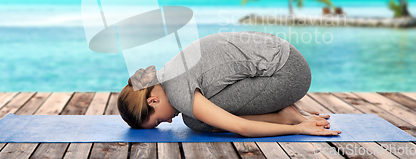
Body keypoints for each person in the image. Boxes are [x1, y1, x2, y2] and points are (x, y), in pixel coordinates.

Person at [117, 31, 341, 137]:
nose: (167, 121)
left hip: (289, 76)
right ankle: (289, 110)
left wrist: (298, 128)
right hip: (288, 60)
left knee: (195, 120)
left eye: (158, 120)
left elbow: (240, 127)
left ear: (153, 99)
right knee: (194, 116)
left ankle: (286, 116)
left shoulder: (176, 91)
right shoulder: (169, 71)